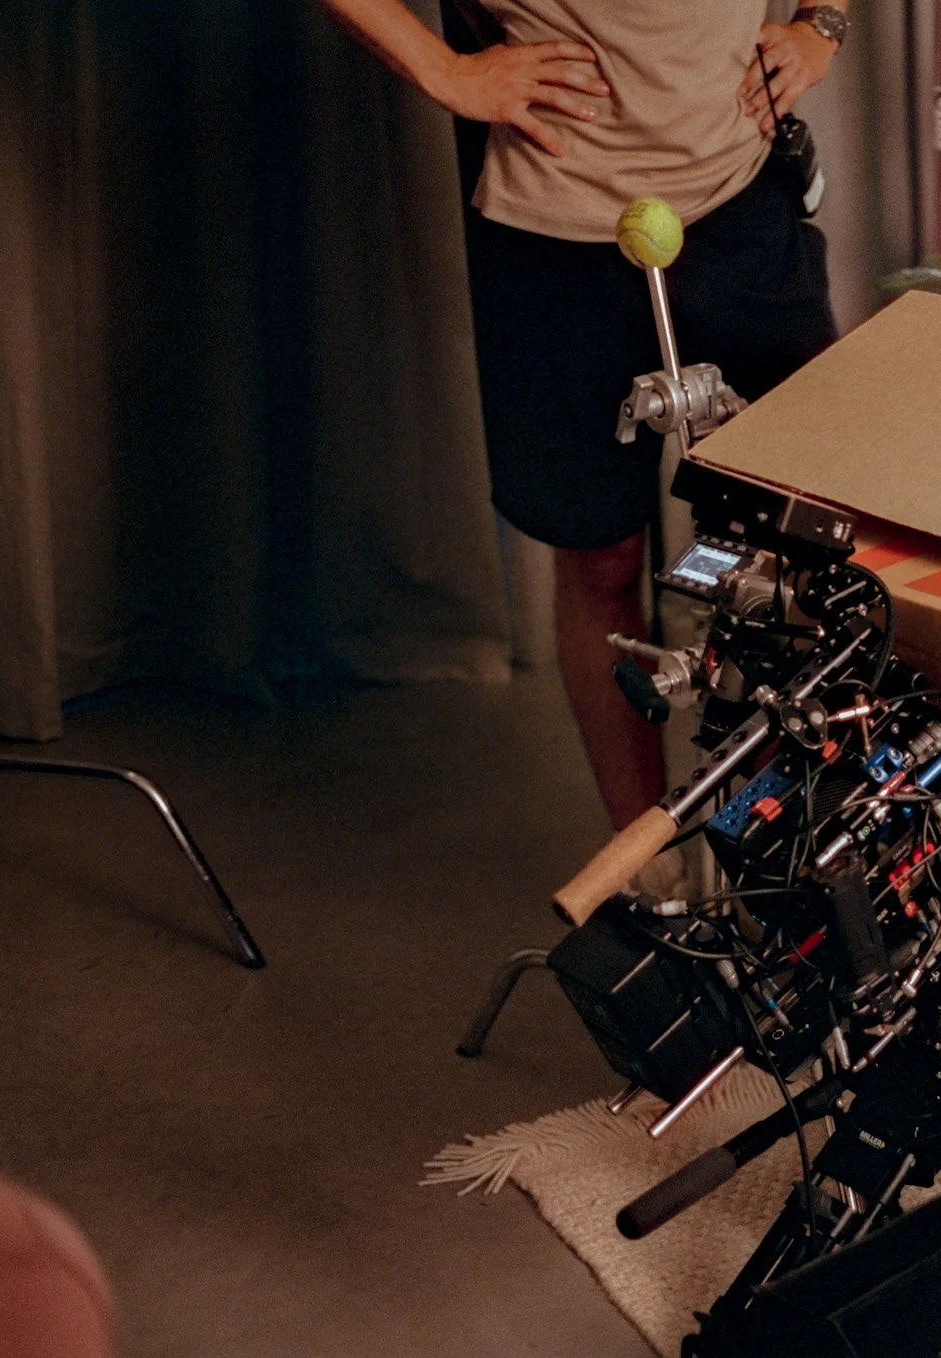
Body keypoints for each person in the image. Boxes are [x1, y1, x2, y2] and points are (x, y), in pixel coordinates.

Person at [319, 0, 845, 832]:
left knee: (812, 548)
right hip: (555, 228)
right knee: (601, 563)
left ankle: (775, 855)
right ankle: (649, 867)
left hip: (740, 203)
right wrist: (442, 68)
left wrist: (823, 23)